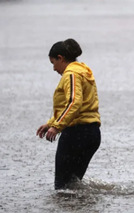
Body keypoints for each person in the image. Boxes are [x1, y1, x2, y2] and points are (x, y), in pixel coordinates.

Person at [36, 39, 101, 190]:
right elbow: (77, 105)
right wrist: (51, 123)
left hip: (76, 134)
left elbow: (74, 103)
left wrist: (57, 127)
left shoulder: (71, 74)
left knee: (62, 188)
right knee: (73, 186)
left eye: (53, 63)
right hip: (92, 134)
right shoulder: (84, 72)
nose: (53, 68)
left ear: (61, 58)